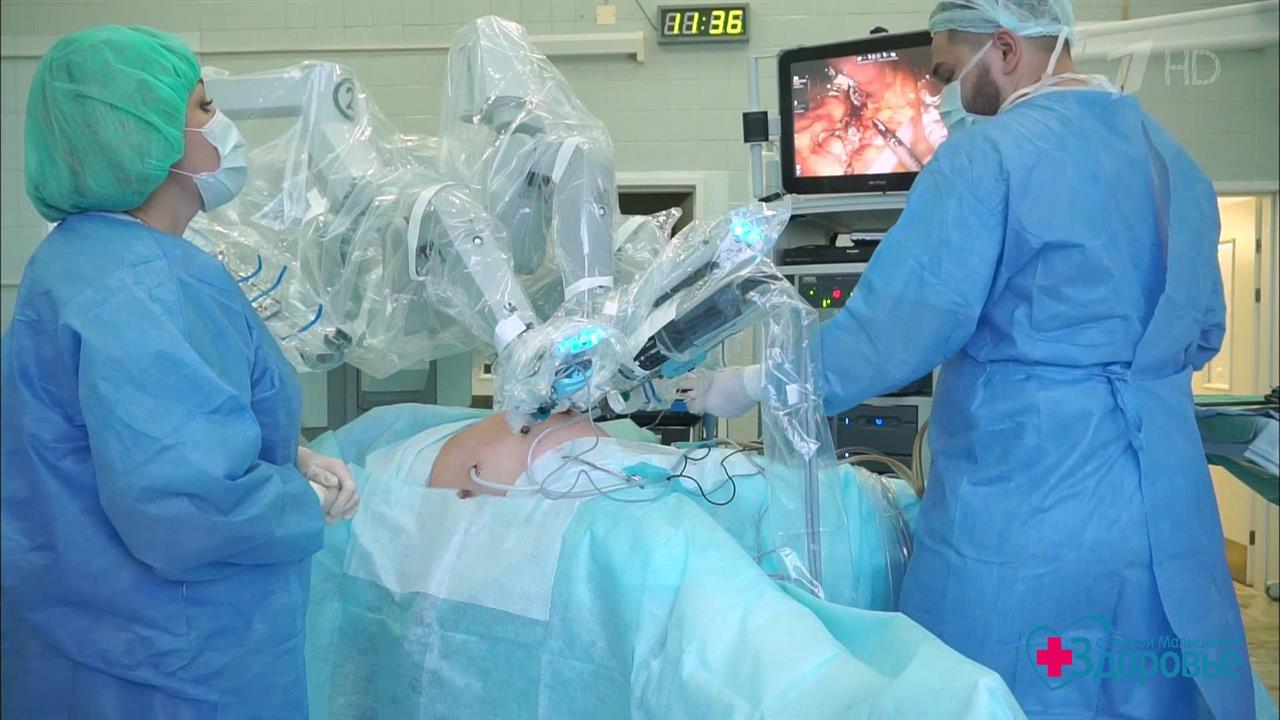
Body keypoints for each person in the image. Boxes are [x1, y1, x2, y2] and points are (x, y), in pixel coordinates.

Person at [685, 0, 1256, 717]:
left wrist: (750, 382)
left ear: (1007, 50)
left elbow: (892, 331)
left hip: (1030, 501)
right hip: (1163, 506)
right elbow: (1203, 333)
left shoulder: (988, 159)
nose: (938, 91)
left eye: (947, 71)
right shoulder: (1176, 164)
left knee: (1001, 690)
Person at [1, 25, 357, 719]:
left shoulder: (78, 262)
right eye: (203, 106)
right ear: (143, 137)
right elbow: (186, 506)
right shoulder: (144, 284)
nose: (220, 123)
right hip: (172, 666)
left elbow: (108, 438)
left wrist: (288, 454)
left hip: (83, 641)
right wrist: (301, 499)